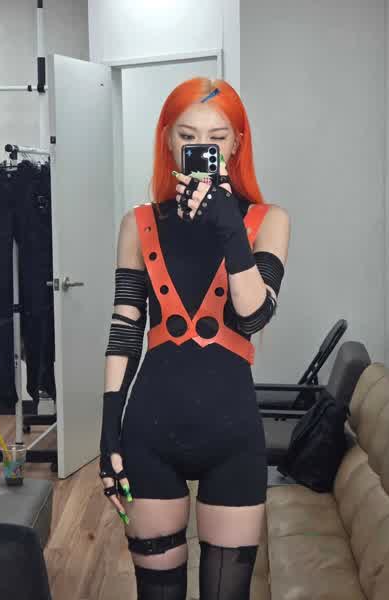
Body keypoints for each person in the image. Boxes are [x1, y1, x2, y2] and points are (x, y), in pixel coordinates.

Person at [98, 77, 290, 600]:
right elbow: (125, 328)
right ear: (167, 140)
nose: (202, 146)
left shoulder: (269, 221)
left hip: (233, 437)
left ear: (237, 144)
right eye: (187, 135)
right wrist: (108, 429)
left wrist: (228, 224)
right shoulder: (138, 224)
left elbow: (253, 317)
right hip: (149, 433)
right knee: (156, 591)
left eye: (217, 137)